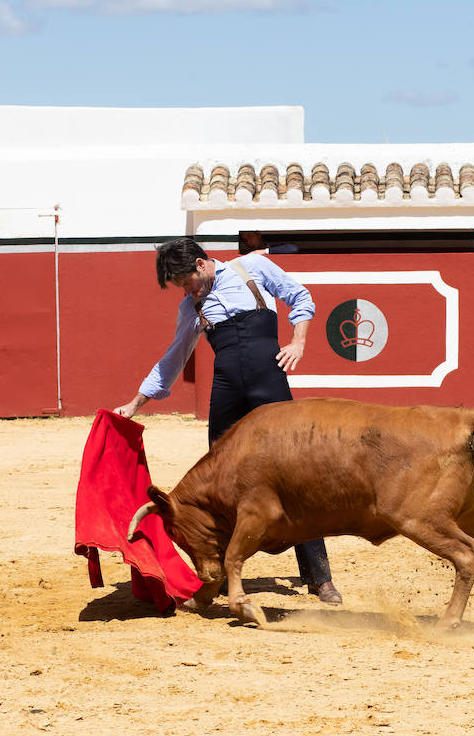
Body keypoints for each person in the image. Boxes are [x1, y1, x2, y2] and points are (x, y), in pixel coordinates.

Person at [114, 237, 343, 605]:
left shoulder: (251, 268)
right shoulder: (191, 309)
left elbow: (300, 297)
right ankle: (218, 575)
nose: (186, 291)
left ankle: (319, 577)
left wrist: (298, 342)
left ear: (202, 265)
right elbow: (174, 358)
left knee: (294, 474)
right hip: (226, 393)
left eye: (187, 282)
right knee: (219, 483)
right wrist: (136, 403)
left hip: (269, 384)